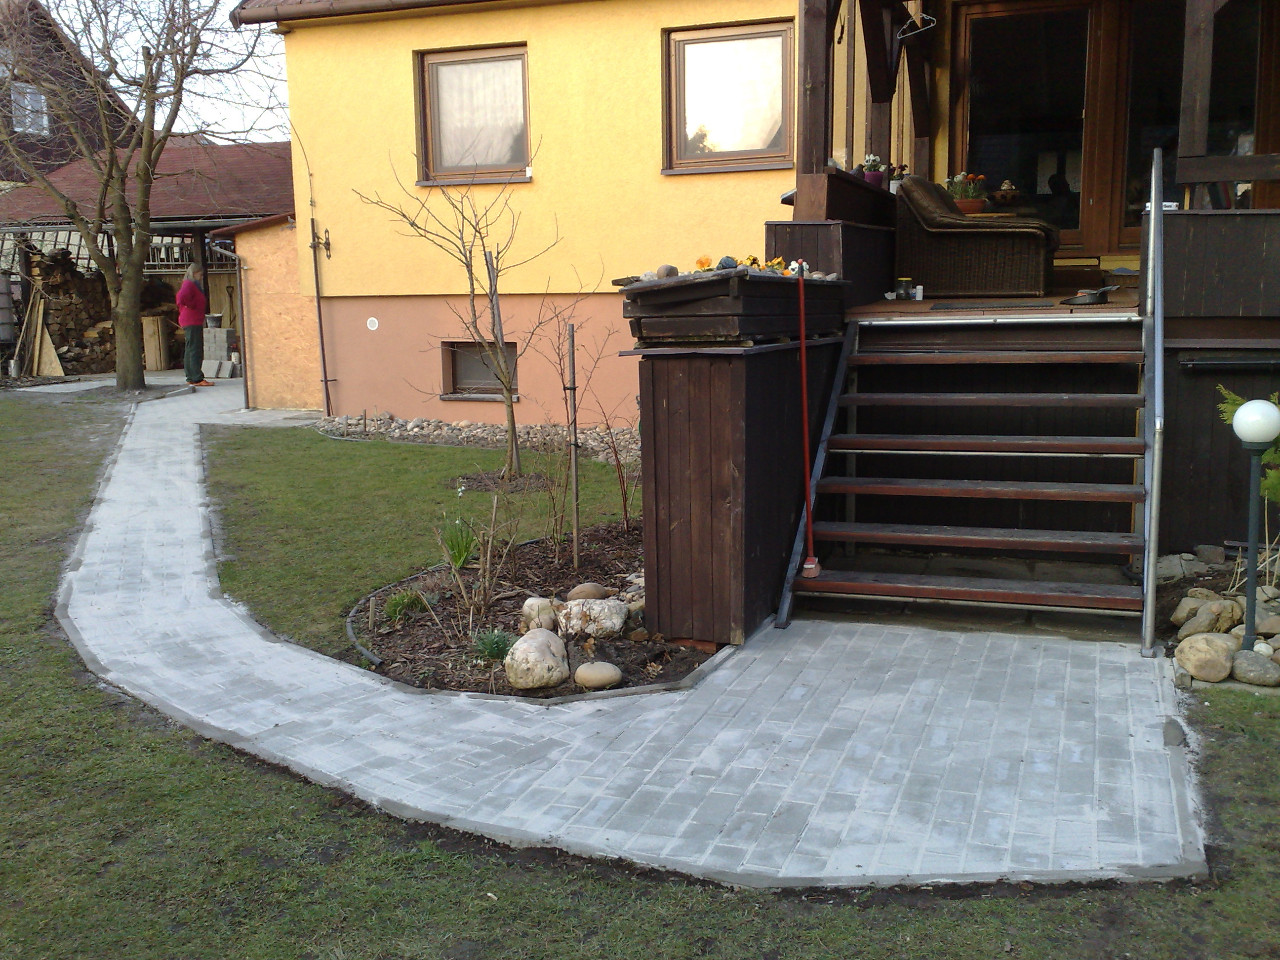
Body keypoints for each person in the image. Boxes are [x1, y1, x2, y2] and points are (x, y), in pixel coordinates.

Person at [177, 263, 212, 386]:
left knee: (190, 348)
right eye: (200, 274)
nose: (201, 277)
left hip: (190, 320)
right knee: (195, 349)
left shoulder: (189, 284)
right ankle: (197, 377)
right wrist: (191, 305)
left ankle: (190, 376)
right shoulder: (189, 284)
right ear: (194, 273)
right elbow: (181, 298)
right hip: (192, 320)